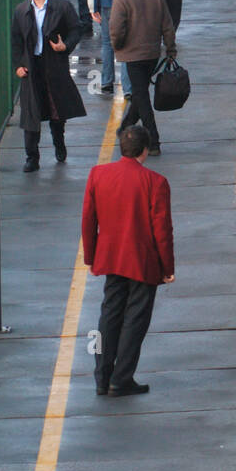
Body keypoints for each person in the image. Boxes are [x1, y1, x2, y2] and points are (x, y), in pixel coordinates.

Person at [81, 124, 175, 396]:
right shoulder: (156, 183)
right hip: (142, 263)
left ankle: (101, 377)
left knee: (107, 316)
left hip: (110, 258)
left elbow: (88, 220)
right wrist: (167, 268)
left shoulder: (98, 175)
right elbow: (162, 231)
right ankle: (121, 379)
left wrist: (90, 257)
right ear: (144, 151)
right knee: (135, 320)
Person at [11, 0, 87, 172]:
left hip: (54, 64)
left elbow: (76, 29)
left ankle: (59, 142)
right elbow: (16, 40)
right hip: (31, 65)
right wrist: (18, 65)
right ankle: (31, 157)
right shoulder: (21, 11)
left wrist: (66, 45)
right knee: (30, 112)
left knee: (56, 108)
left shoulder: (61, 7)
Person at [110, 0, 176, 156]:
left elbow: (116, 29)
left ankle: (153, 140)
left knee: (141, 96)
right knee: (140, 92)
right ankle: (125, 127)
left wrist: (118, 46)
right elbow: (168, 26)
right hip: (152, 53)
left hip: (132, 54)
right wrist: (170, 49)